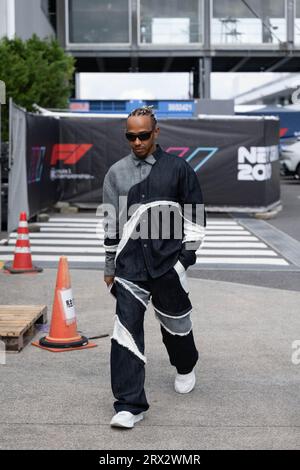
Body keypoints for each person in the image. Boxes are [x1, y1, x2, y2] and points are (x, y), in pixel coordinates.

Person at [102, 106, 206, 429]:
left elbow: (197, 221)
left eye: (143, 135)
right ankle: (130, 405)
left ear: (156, 133)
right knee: (125, 331)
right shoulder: (116, 174)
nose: (137, 142)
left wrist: (183, 262)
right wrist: (109, 266)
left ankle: (186, 364)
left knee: (177, 326)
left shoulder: (178, 170)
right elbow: (110, 224)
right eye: (130, 136)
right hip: (130, 267)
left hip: (167, 267)